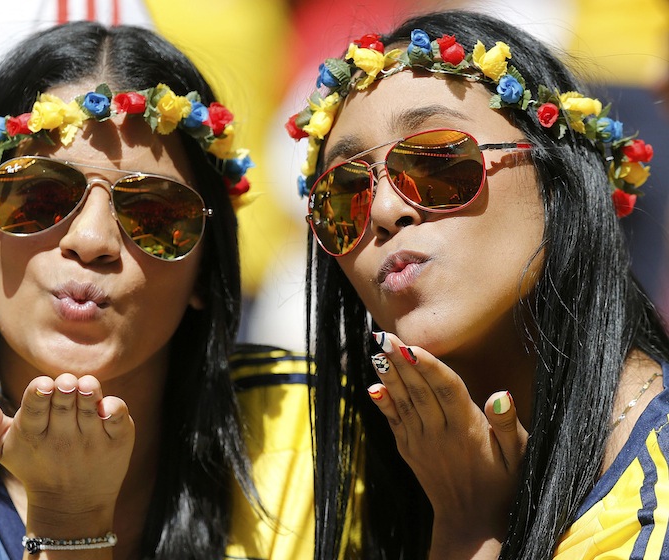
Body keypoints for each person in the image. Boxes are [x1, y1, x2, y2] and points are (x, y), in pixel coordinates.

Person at [0, 21, 314, 559]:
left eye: (154, 212)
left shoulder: (315, 431)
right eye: (36, 195)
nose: (91, 241)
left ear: (206, 269)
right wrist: (69, 521)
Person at [286, 10, 667, 559]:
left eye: (438, 160)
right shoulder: (303, 457)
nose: (387, 210)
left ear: (559, 182)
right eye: (345, 195)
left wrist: (470, 534)